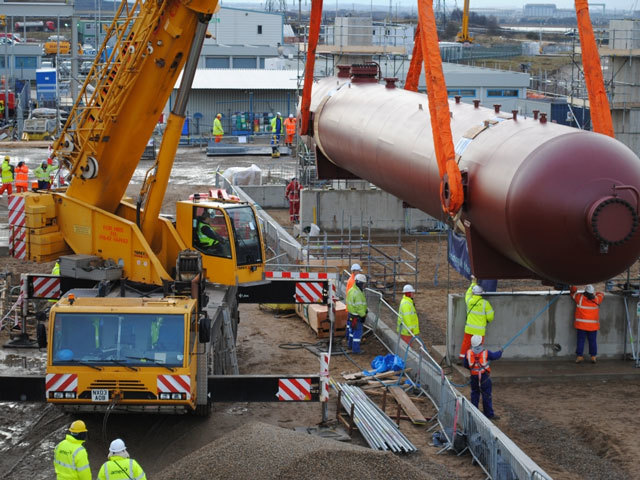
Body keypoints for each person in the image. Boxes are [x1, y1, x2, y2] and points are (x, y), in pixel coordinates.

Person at [464, 334, 502, 420]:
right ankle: (489, 414)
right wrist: (500, 352)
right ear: (481, 343)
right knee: (486, 395)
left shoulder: (468, 353)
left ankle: (474, 412)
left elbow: (465, 364)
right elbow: (495, 356)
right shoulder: (486, 352)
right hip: (484, 377)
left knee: (475, 393)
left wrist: (473, 369)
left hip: (474, 377)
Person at [459, 276, 494, 364]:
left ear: (473, 293)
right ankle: (476, 361)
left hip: (469, 328)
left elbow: (467, 293)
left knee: (466, 344)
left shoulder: (469, 300)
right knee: (478, 347)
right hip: (480, 330)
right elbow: (490, 317)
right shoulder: (485, 304)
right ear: (481, 293)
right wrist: (487, 320)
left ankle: (462, 359)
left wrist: (473, 282)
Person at [570, 284, 604, 363]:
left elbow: (573, 293)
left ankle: (579, 356)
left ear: (585, 292)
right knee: (592, 341)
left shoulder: (580, 298)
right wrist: (595, 294)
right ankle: (593, 357)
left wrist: (573, 286)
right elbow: (601, 294)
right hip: (592, 326)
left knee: (580, 341)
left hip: (581, 326)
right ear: (592, 293)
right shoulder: (597, 299)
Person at [346, 273, 367, 353]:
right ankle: (356, 349)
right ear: (360, 283)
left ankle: (350, 345)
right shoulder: (358, 293)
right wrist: (363, 315)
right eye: (363, 284)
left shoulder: (351, 290)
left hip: (351, 314)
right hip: (357, 316)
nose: (364, 285)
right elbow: (359, 306)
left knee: (352, 331)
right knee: (357, 332)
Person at [345, 263, 362, 345]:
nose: (359, 272)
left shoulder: (351, 279)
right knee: (354, 327)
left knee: (350, 325)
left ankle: (349, 339)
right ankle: (353, 344)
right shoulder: (353, 282)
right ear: (354, 271)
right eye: (358, 271)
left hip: (350, 307)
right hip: (353, 309)